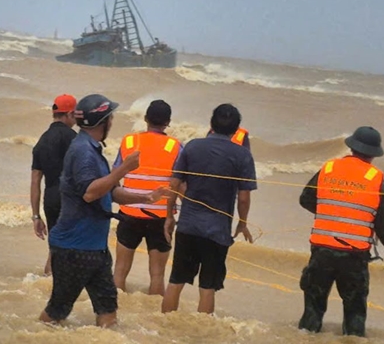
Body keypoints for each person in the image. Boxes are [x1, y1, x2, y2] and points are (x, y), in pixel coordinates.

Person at [39, 94, 167, 328]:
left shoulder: (92, 149)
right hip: (74, 249)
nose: (112, 121)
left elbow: (110, 190)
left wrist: (145, 197)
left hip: (95, 248)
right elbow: (90, 192)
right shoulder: (83, 152)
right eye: (111, 118)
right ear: (102, 121)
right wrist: (124, 168)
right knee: (56, 312)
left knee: (108, 310)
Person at [297, 126, 384, 337]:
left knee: (312, 311)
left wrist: (332, 212)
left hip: (321, 252)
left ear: (351, 147)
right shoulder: (376, 179)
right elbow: (383, 226)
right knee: (354, 312)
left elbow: (305, 199)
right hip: (354, 257)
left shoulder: (329, 168)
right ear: (374, 154)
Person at [161, 103, 257, 315]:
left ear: (211, 124)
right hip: (217, 231)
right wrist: (242, 223)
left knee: (175, 281)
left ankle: (162, 328)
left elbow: (174, 184)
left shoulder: (192, 146)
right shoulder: (242, 155)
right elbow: (243, 198)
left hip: (188, 226)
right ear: (236, 129)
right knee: (207, 288)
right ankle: (202, 330)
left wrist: (169, 216)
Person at [113, 99, 181, 295]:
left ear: (145, 118)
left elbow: (114, 175)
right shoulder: (176, 146)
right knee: (158, 275)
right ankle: (154, 311)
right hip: (160, 217)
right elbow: (179, 182)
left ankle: (112, 307)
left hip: (129, 212)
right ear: (168, 122)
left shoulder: (129, 141)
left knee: (120, 269)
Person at [30, 94, 77, 276]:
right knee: (71, 250)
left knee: (55, 250)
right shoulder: (74, 139)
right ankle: (57, 286)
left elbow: (35, 181)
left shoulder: (42, 141)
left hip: (50, 200)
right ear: (70, 114)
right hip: (69, 199)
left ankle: (47, 281)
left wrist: (36, 216)